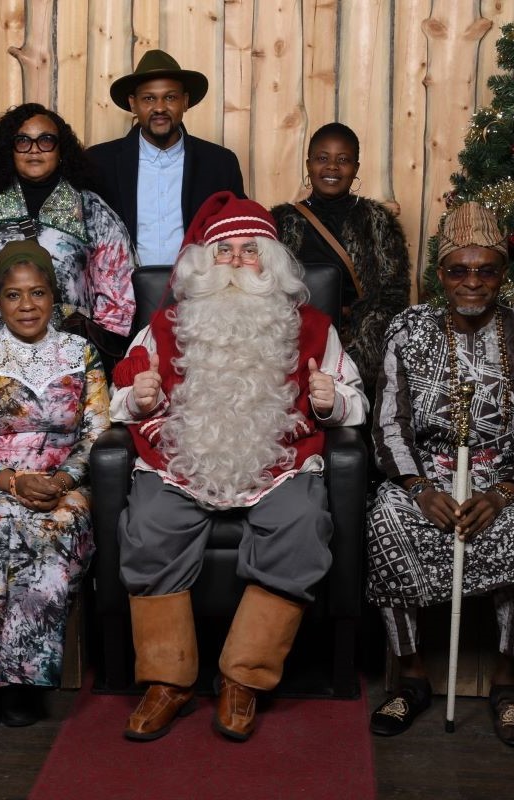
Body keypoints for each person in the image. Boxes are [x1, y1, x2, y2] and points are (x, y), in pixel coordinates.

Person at [111, 192, 368, 742]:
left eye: (249, 251)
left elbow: (355, 400)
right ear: (204, 262)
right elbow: (120, 400)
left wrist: (330, 401)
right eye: (223, 251)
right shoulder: (166, 324)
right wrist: (140, 396)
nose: (234, 262)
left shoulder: (313, 327)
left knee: (300, 529)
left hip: (278, 460)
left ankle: (244, 678)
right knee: (151, 528)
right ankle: (167, 681)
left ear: (270, 262)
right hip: (182, 457)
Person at [366, 201, 514, 748]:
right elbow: (389, 422)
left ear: (503, 273)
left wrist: (503, 494)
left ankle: (507, 684)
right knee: (387, 517)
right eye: (459, 269)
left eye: (486, 270)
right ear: (440, 274)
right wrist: (418, 489)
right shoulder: (407, 329)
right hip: (427, 475)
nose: (472, 282)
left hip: (504, 479)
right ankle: (411, 677)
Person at [0, 240, 109, 730]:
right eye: (13, 296)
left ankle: (23, 680)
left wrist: (61, 478)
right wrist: (10, 480)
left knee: (54, 531)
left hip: (65, 483)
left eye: (38, 293)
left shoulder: (82, 354)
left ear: (54, 297)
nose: (27, 305)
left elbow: (98, 433)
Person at [0, 103, 135, 374]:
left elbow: (117, 297)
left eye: (46, 140)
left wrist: (95, 360)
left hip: (69, 361)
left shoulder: (92, 210)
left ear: (61, 150)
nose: (34, 149)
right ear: (9, 150)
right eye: (23, 141)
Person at [271, 123, 410, 386]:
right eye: (323, 158)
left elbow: (393, 294)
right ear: (309, 164)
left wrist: (361, 345)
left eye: (343, 160)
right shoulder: (281, 221)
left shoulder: (377, 221)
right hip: (294, 344)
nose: (332, 167)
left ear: (356, 167)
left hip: (356, 346)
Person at [86, 49, 246, 267]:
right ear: (133, 104)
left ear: (185, 102)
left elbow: (239, 232)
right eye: (149, 98)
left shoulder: (219, 163)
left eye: (170, 97)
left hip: (201, 292)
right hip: (122, 293)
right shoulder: (98, 163)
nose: (160, 107)